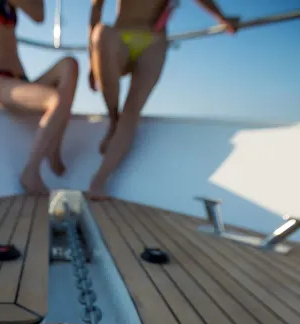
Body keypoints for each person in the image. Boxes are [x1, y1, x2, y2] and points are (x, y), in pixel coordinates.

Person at [87, 0, 240, 198]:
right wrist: (92, 60)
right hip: (118, 38)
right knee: (101, 33)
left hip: (154, 41)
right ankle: (113, 118)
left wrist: (221, 17)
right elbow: (96, 7)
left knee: (132, 111)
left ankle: (99, 181)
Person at [0, 1, 79, 195]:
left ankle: (54, 147)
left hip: (21, 80)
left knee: (70, 64)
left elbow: (39, 15)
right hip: (0, 82)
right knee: (54, 99)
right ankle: (31, 171)